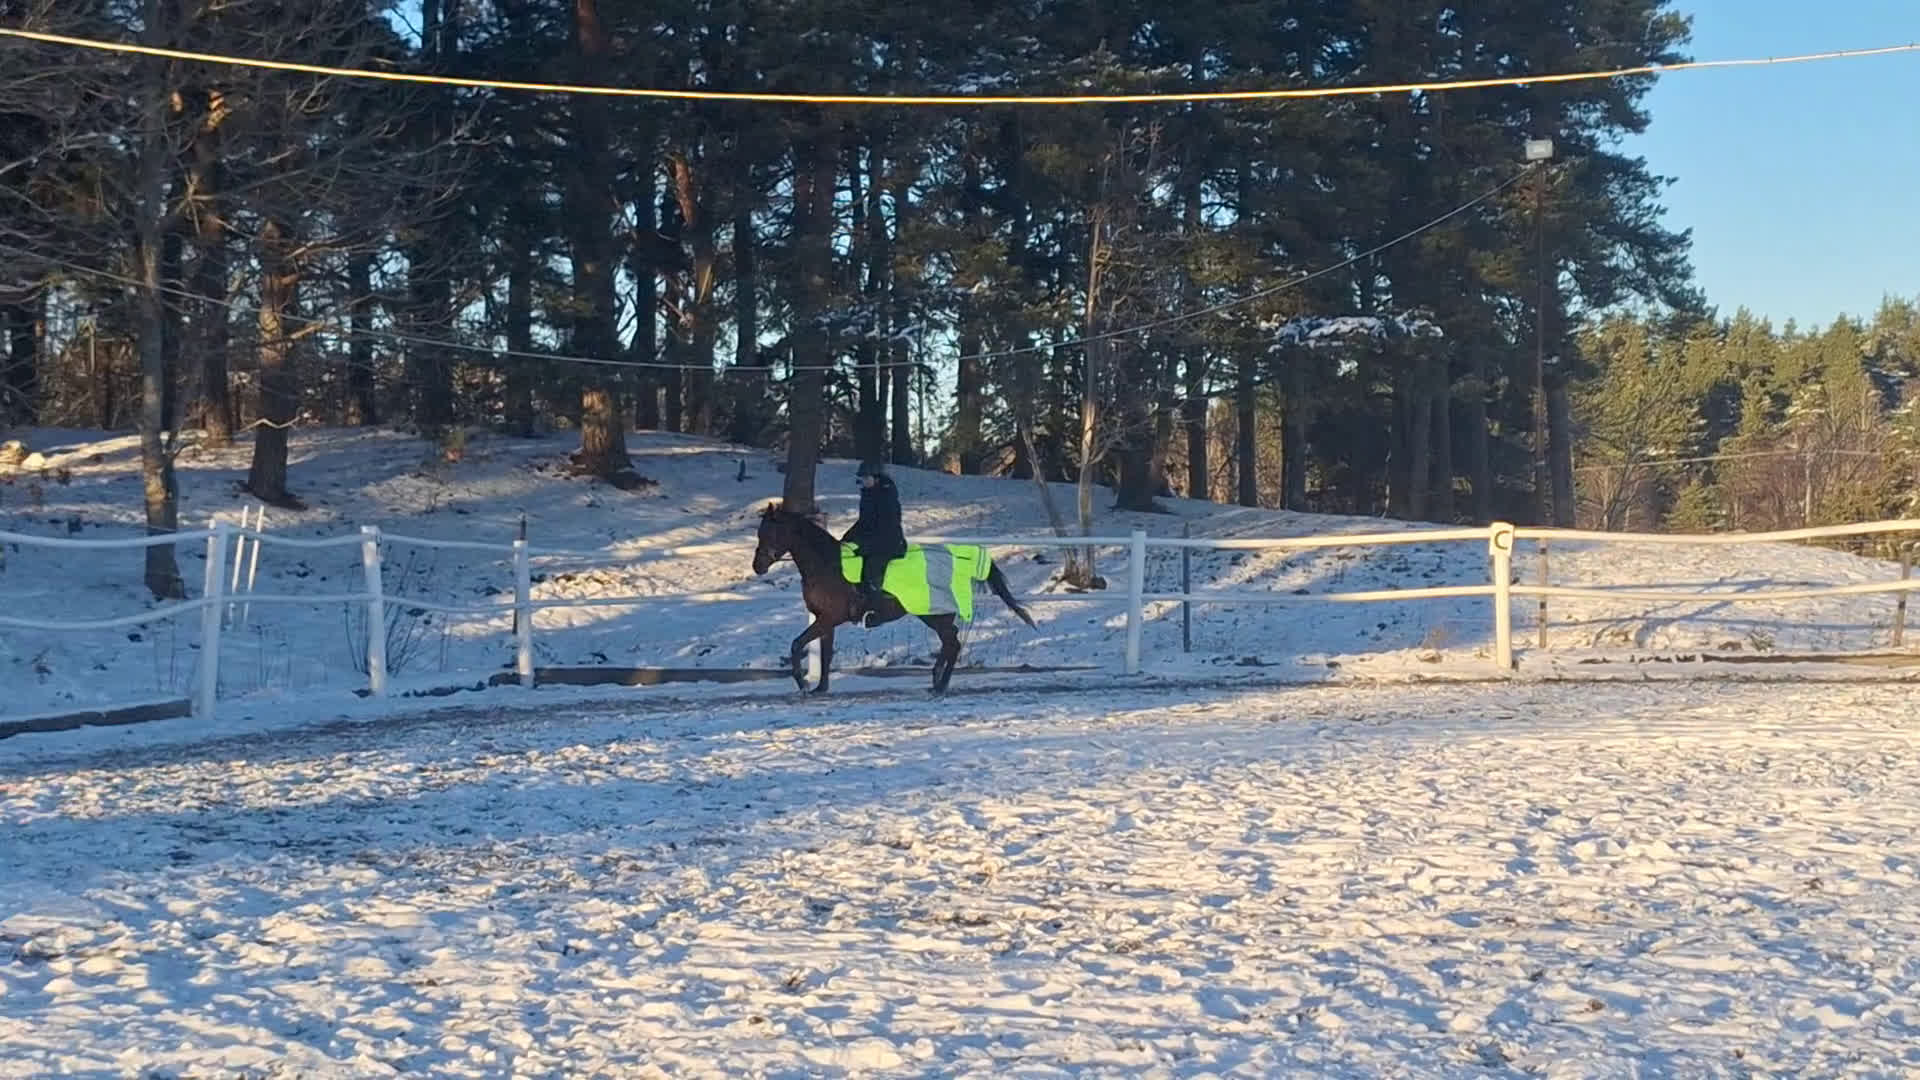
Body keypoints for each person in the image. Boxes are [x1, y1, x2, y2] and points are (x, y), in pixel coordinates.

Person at [843, 459, 907, 626]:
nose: (863, 482)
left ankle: (878, 611)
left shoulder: (887, 496)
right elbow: (863, 522)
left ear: (876, 478)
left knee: (871, 568)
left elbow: (888, 526)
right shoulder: (867, 495)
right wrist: (846, 538)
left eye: (866, 478)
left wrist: (865, 543)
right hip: (873, 541)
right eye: (861, 479)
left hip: (890, 542)